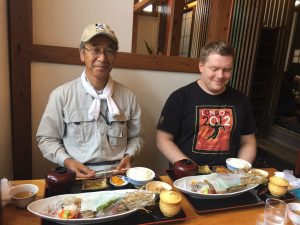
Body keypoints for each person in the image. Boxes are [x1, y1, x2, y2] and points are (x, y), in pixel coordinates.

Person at [37, 23, 144, 178]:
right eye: (95, 49)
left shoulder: (128, 96)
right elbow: (46, 139)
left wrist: (129, 156)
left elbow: (137, 136)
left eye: (109, 50)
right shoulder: (61, 95)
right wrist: (68, 162)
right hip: (76, 179)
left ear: (115, 56)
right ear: (82, 54)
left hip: (117, 179)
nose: (102, 57)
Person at [156, 40, 257, 167]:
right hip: (186, 175)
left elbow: (248, 141)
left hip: (228, 175)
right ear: (201, 66)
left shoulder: (241, 100)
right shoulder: (179, 97)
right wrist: (188, 166)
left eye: (227, 70)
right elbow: (163, 139)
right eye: (214, 69)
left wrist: (241, 168)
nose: (220, 75)